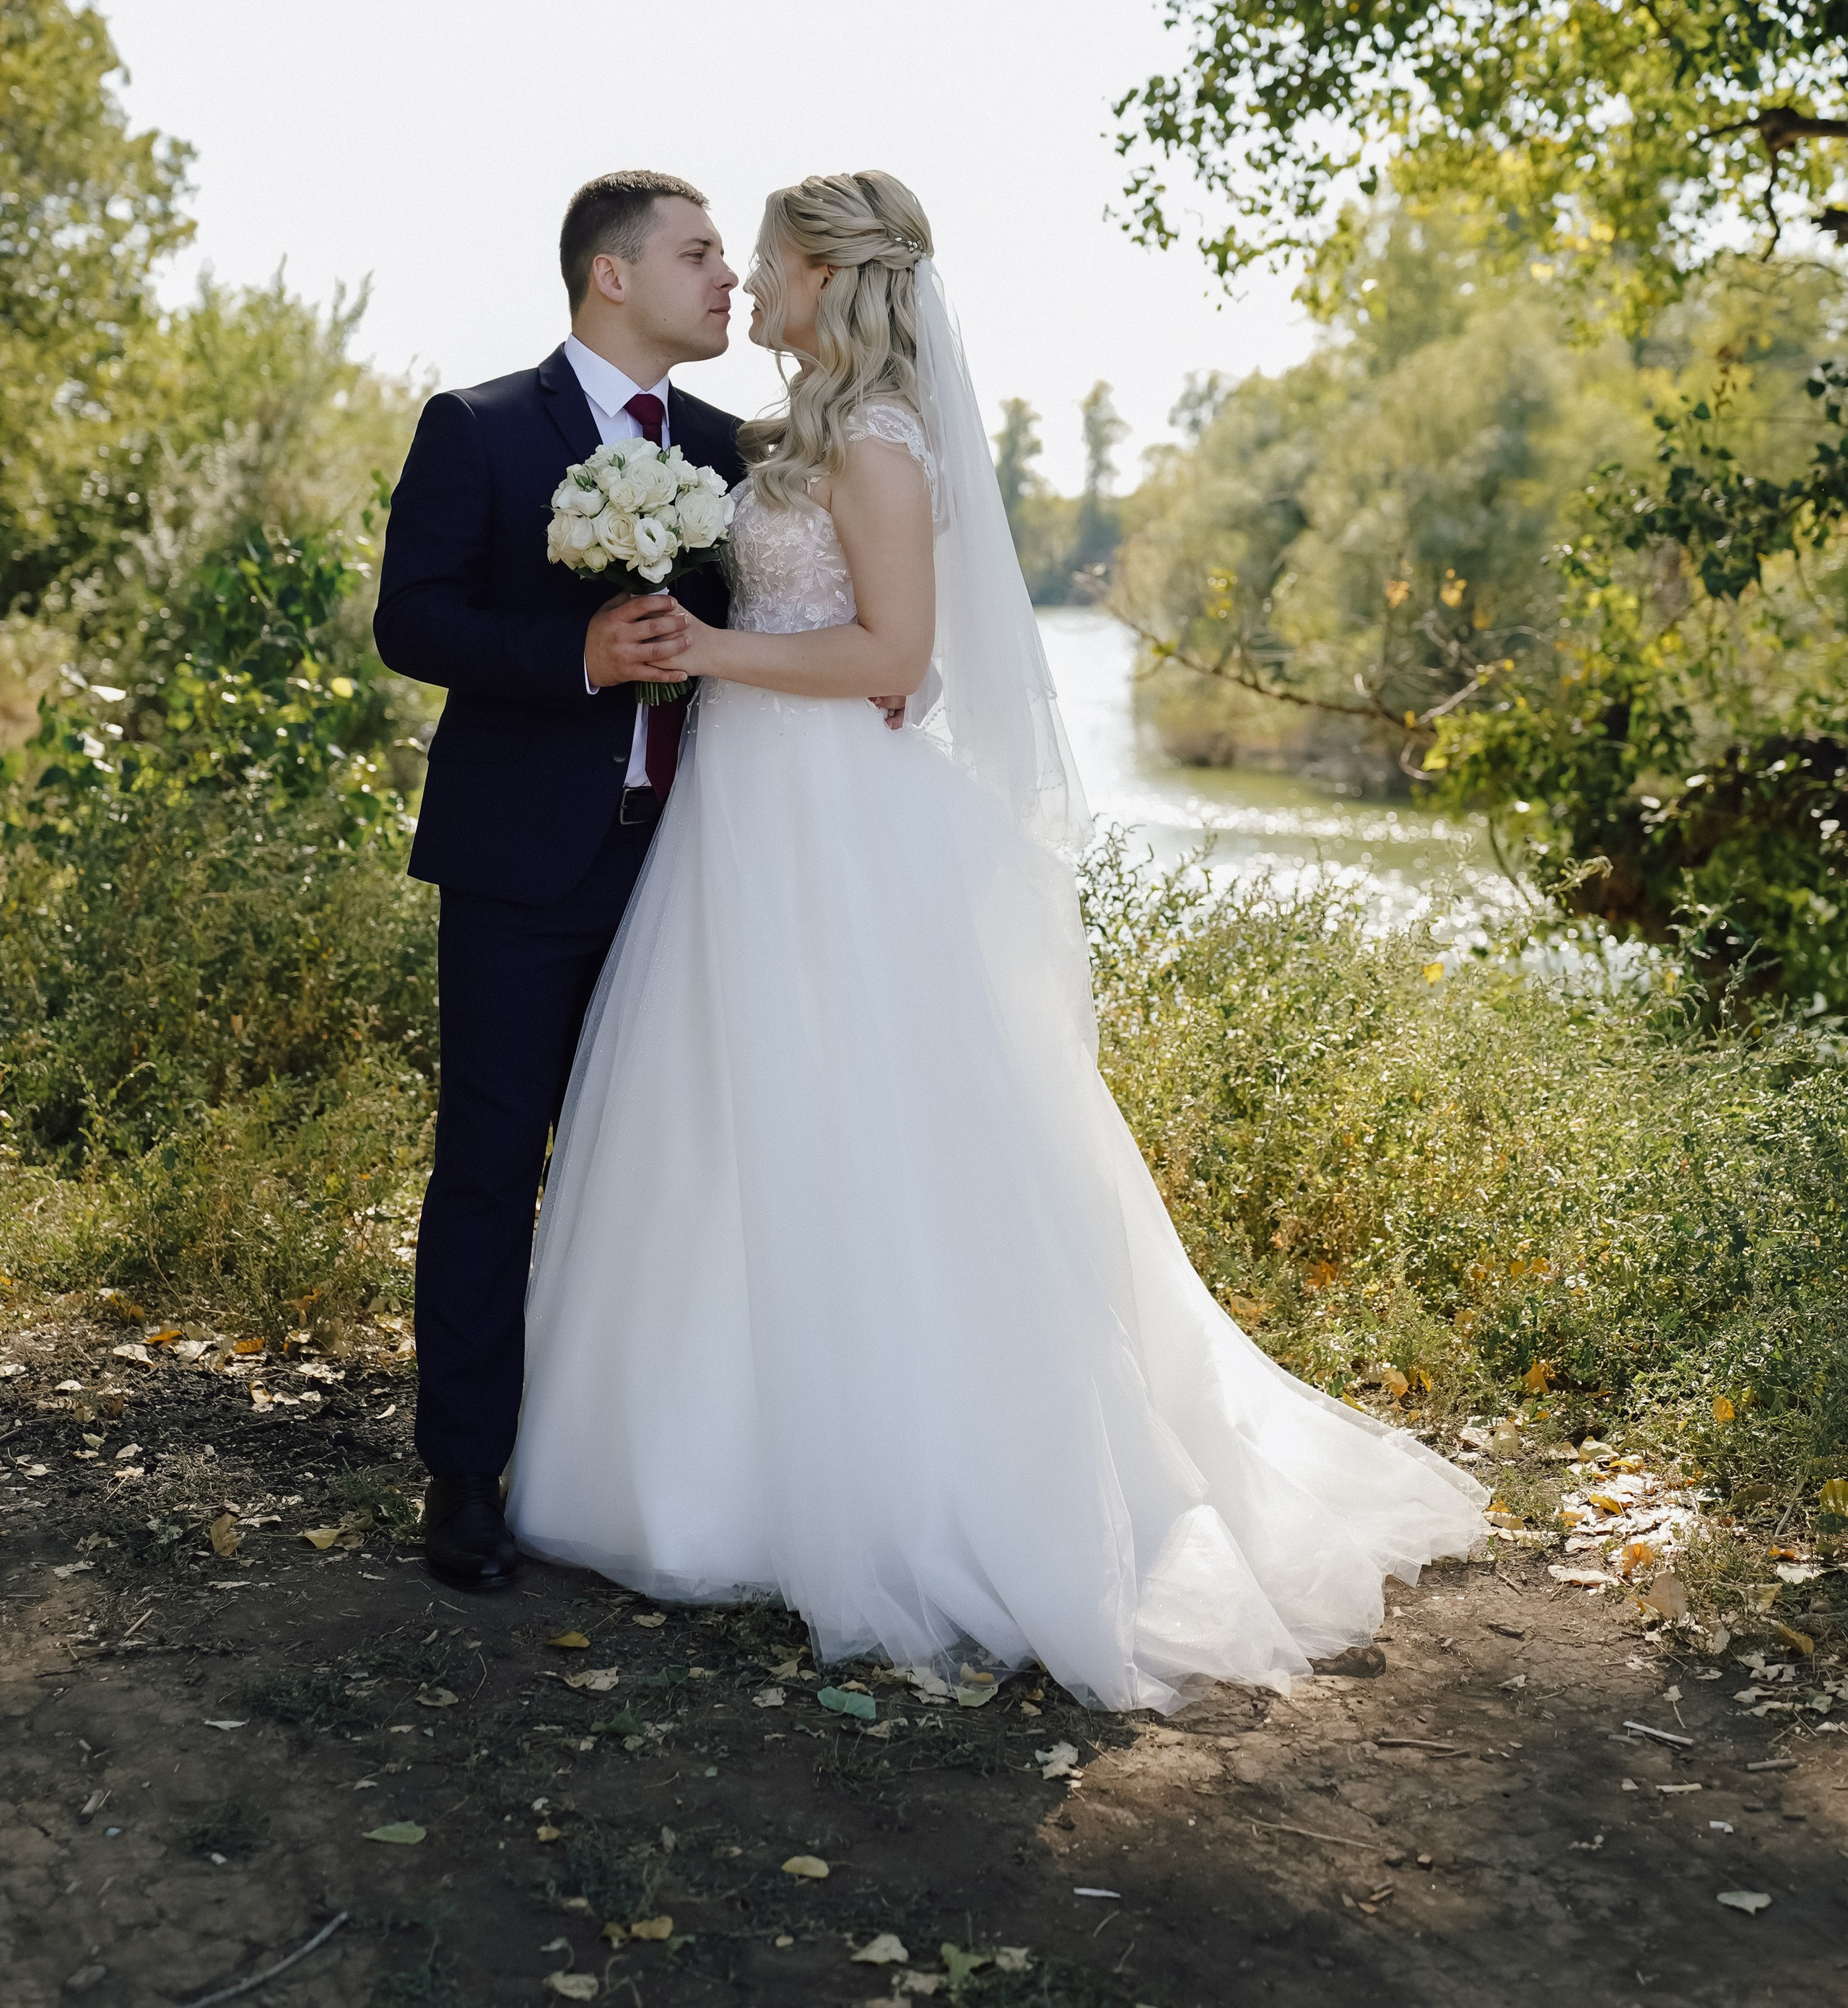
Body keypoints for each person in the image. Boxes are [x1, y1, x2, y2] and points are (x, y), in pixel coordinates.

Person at [507, 170, 1486, 1708]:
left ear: (831, 273)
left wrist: (708, 648)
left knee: (868, 1134)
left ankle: (888, 1481)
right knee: (728, 1121)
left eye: (761, 259)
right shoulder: (790, 436)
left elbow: (894, 651)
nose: (747, 284)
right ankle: (698, 1462)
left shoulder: (884, 443)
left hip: (831, 819)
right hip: (743, 815)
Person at [373, 169, 744, 1586]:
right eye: (698, 253)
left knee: (661, 1173)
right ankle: (463, 1478)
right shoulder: (473, 429)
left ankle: (638, 1462)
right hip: (520, 871)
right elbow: (412, 620)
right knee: (487, 1171)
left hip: (689, 870)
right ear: (610, 275)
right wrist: (574, 657)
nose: (727, 279)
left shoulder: (726, 446)